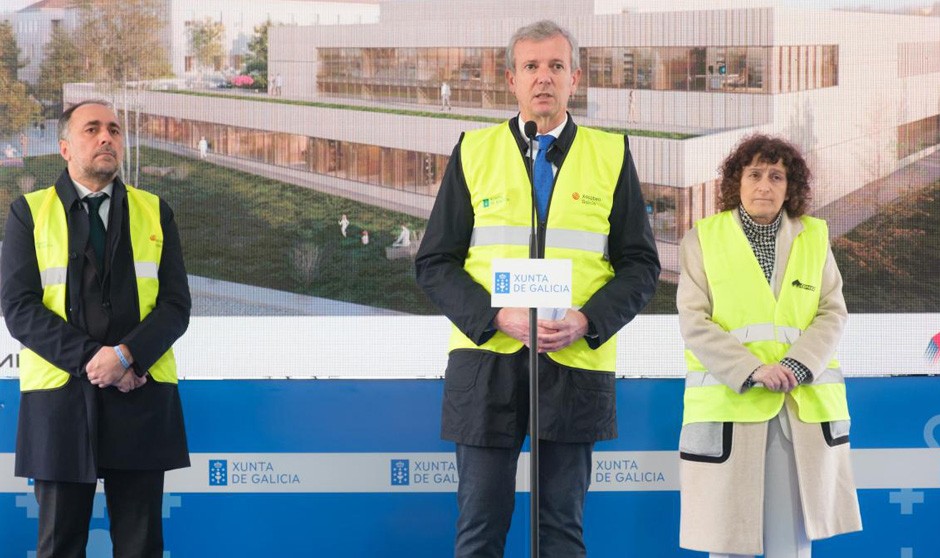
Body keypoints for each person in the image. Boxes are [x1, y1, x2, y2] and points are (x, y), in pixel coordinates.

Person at [415, 20, 660, 557]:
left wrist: (587, 321)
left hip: (573, 360)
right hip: (487, 361)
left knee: (561, 531)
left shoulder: (610, 154)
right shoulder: (475, 150)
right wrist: (494, 317)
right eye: (531, 66)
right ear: (512, 79)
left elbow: (641, 266)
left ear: (575, 78)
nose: (543, 77)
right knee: (479, 529)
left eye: (555, 66)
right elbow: (434, 262)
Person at [1, 99, 191, 557]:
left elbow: (175, 305)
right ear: (65, 147)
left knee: (141, 546)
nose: (106, 137)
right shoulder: (29, 212)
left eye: (114, 129)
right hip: (61, 403)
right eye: (92, 129)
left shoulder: (155, 211)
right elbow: (19, 307)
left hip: (139, 393)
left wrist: (126, 356)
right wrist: (96, 360)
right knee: (60, 546)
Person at [676, 134, 861, 558]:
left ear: (789, 187)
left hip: (800, 409)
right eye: (754, 174)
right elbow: (694, 320)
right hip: (729, 408)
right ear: (736, 182)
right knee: (728, 544)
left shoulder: (814, 237)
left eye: (776, 176)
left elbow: (832, 312)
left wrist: (797, 365)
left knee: (789, 547)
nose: (764, 185)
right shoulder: (702, 239)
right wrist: (752, 369)